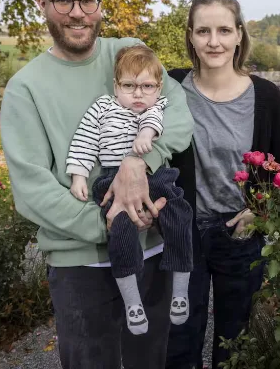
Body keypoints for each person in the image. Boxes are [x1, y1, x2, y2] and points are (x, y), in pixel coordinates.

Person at [0, 0, 193, 369]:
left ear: (100, 4)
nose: (77, 14)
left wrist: (142, 161)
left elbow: (177, 114)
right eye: (63, 1)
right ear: (42, 4)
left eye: (87, 1)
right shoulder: (25, 89)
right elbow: (32, 189)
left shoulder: (127, 55)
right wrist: (110, 222)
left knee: (149, 361)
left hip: (152, 250)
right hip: (80, 264)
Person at [165, 0, 280, 369]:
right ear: (190, 36)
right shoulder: (171, 88)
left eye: (224, 30)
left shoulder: (265, 96)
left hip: (239, 233)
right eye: (203, 31)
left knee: (234, 343)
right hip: (182, 235)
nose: (214, 41)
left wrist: (261, 210)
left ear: (239, 35)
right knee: (180, 337)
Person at [65, 44, 193, 335]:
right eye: (129, 86)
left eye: (147, 86)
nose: (138, 94)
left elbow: (153, 122)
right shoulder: (102, 108)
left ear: (158, 88)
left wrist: (146, 135)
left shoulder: (155, 108)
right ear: (116, 85)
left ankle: (181, 290)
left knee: (179, 213)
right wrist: (78, 176)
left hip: (155, 175)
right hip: (110, 178)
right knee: (120, 228)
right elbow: (84, 141)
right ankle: (133, 303)